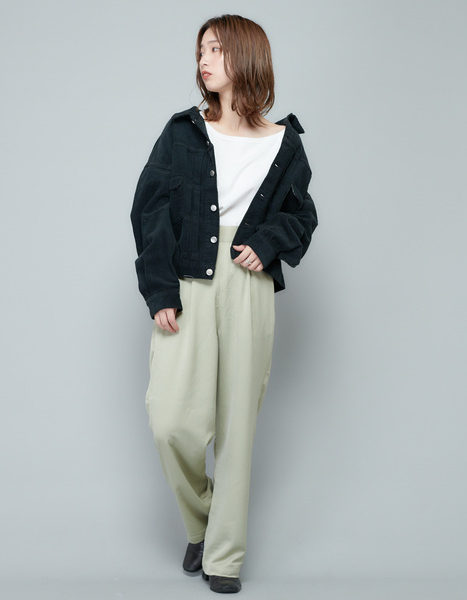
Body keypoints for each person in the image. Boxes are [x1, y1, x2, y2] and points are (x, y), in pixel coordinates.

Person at [130, 14, 318, 594]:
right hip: (189, 280)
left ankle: (225, 559)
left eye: (215, 49)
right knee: (171, 421)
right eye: (201, 51)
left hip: (247, 288)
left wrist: (269, 242)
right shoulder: (182, 132)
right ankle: (202, 525)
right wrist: (160, 290)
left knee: (238, 426)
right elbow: (149, 211)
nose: (203, 60)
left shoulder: (285, 143)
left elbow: (302, 215)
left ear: (245, 56)